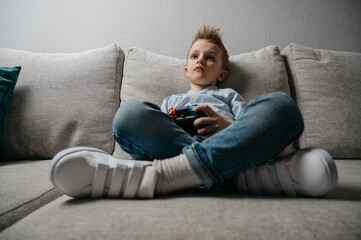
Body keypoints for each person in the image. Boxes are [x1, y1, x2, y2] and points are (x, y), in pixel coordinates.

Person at [49, 26, 338, 199]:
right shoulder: (171, 99)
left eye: (210, 58)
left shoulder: (229, 95)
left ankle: (165, 177)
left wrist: (226, 126)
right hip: (183, 148)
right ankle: (237, 178)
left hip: (228, 146)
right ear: (186, 68)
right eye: (195, 56)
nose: (201, 61)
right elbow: (154, 132)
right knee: (130, 114)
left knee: (282, 107)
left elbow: (248, 131)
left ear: (222, 72)